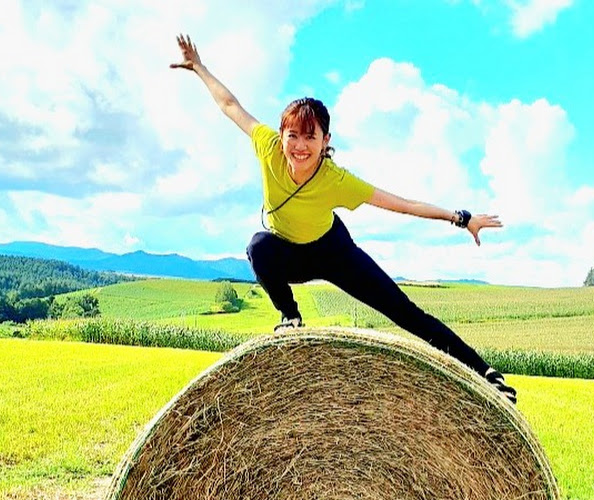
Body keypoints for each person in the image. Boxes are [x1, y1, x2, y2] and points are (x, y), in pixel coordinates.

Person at [170, 34, 517, 404]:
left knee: (404, 311)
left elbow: (402, 204)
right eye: (292, 136)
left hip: (333, 251)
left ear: (325, 140)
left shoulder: (337, 180)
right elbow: (229, 105)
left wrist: (460, 218)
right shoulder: (268, 148)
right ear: (282, 135)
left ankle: (485, 374)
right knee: (258, 247)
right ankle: (291, 317)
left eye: (310, 137)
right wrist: (199, 68)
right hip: (286, 251)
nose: (299, 146)